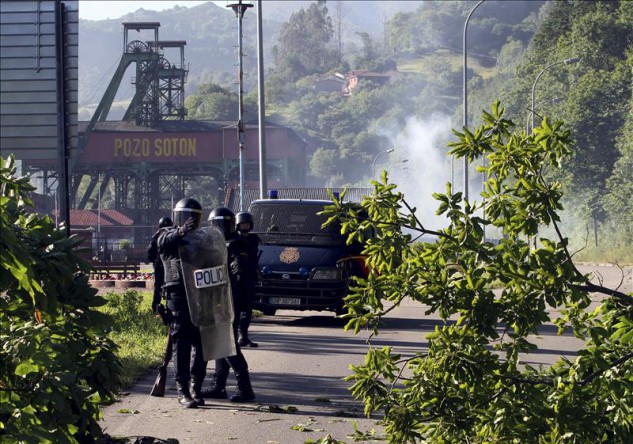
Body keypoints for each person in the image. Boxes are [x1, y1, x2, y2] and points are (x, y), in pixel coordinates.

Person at [203, 207, 255, 402]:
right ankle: (218, 386)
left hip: (227, 303)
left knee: (227, 345)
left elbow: (238, 277)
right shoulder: (226, 244)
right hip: (222, 301)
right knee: (220, 344)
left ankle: (245, 389)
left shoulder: (234, 245)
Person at [157, 198, 205, 409]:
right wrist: (181, 231)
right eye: (185, 217)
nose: (189, 221)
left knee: (203, 343)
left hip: (200, 294)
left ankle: (196, 386)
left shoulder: (201, 239)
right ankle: (182, 390)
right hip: (177, 294)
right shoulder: (166, 235)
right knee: (182, 343)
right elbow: (163, 241)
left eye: (193, 217)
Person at [234, 211, 261, 347]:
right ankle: (236, 336)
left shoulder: (253, 239)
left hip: (249, 277)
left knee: (247, 309)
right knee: (237, 309)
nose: (245, 225)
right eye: (243, 223)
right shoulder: (234, 240)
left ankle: (244, 336)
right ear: (238, 224)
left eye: (247, 223)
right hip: (237, 279)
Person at [147, 216, 173, 315]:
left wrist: (155, 262)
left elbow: (150, 253)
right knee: (172, 286)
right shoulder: (172, 236)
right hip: (170, 265)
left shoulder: (156, 237)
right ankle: (169, 307)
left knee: (158, 287)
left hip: (159, 265)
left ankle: (155, 307)